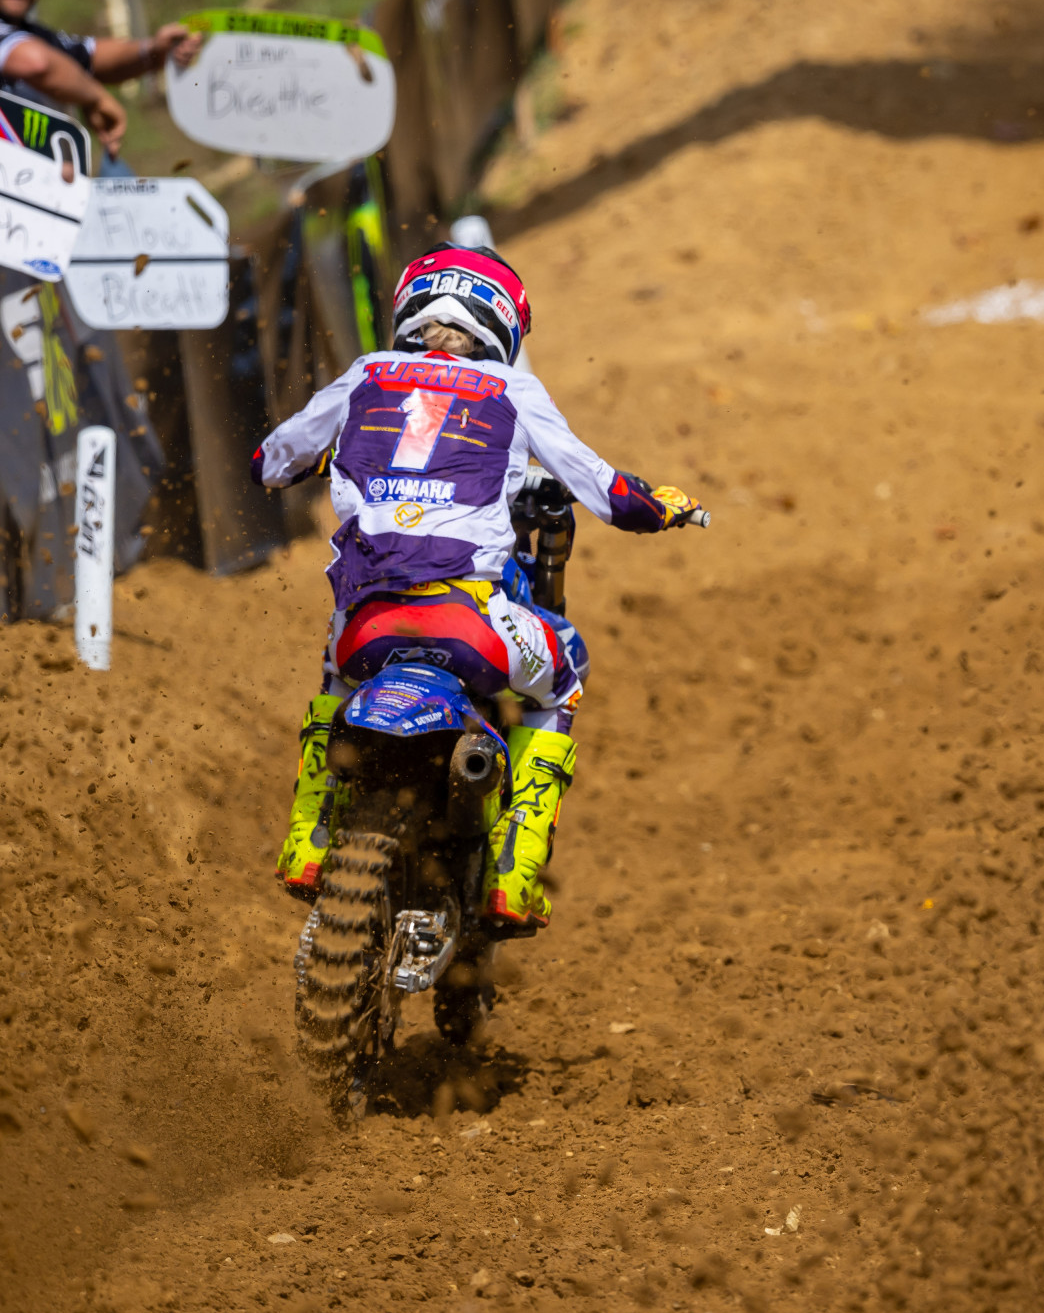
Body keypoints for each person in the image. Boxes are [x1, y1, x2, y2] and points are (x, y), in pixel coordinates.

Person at [250, 246, 707, 934]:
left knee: (334, 663)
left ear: (407, 307)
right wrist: (664, 505)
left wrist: (325, 458)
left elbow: (268, 461)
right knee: (566, 667)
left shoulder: (364, 376)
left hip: (368, 629)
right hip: (470, 626)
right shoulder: (510, 390)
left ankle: (310, 838)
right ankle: (513, 872)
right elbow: (610, 496)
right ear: (503, 325)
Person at [0, 0, 203, 156]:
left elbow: (92, 56)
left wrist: (155, 50)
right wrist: (95, 98)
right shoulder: (28, 47)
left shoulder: (35, 37)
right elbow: (37, 63)